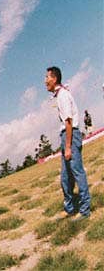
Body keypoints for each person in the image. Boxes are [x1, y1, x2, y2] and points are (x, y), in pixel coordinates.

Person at [45, 66, 91, 220]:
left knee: (77, 172)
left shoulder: (63, 96)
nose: (45, 81)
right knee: (66, 177)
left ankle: (85, 210)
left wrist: (69, 146)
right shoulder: (59, 96)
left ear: (55, 79)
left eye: (47, 78)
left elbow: (69, 122)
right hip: (66, 136)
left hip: (70, 135)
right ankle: (69, 208)